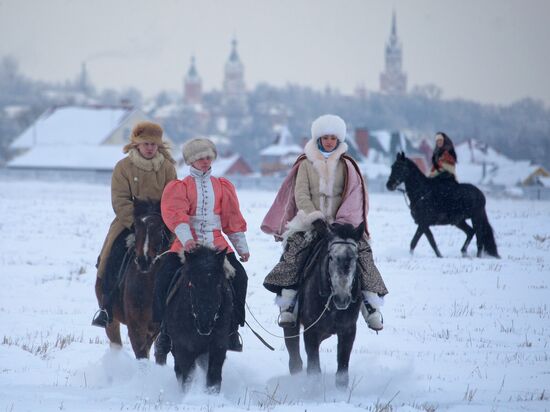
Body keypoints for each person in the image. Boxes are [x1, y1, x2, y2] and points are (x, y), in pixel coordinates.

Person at [261, 114, 388, 331]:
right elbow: (300, 195)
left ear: (338, 140)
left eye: (333, 138)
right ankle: (288, 306)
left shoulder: (348, 165)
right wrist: (315, 218)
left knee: (363, 254)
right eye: (325, 137)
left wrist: (341, 224)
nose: (329, 141)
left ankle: (370, 305)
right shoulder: (305, 164)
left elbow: (354, 196)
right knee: (294, 254)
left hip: (342, 225)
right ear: (318, 139)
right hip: (310, 224)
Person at [153, 138, 249, 354]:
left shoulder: (223, 186)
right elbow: (176, 214)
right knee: (164, 275)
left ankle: (233, 330)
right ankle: (164, 331)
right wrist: (187, 239)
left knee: (240, 277)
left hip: (216, 243)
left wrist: (241, 246)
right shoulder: (180, 187)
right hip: (187, 243)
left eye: (207, 157)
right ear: (191, 161)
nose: (205, 161)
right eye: (199, 158)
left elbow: (231, 218)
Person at [92, 121, 177, 328]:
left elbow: (173, 196)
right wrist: (137, 224)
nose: (150, 148)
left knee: (178, 258)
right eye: (146, 143)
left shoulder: (167, 167)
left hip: (161, 222)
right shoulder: (123, 167)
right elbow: (120, 199)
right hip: (129, 222)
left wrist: (164, 222)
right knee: (110, 257)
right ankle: (107, 305)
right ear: (136, 144)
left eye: (153, 144)